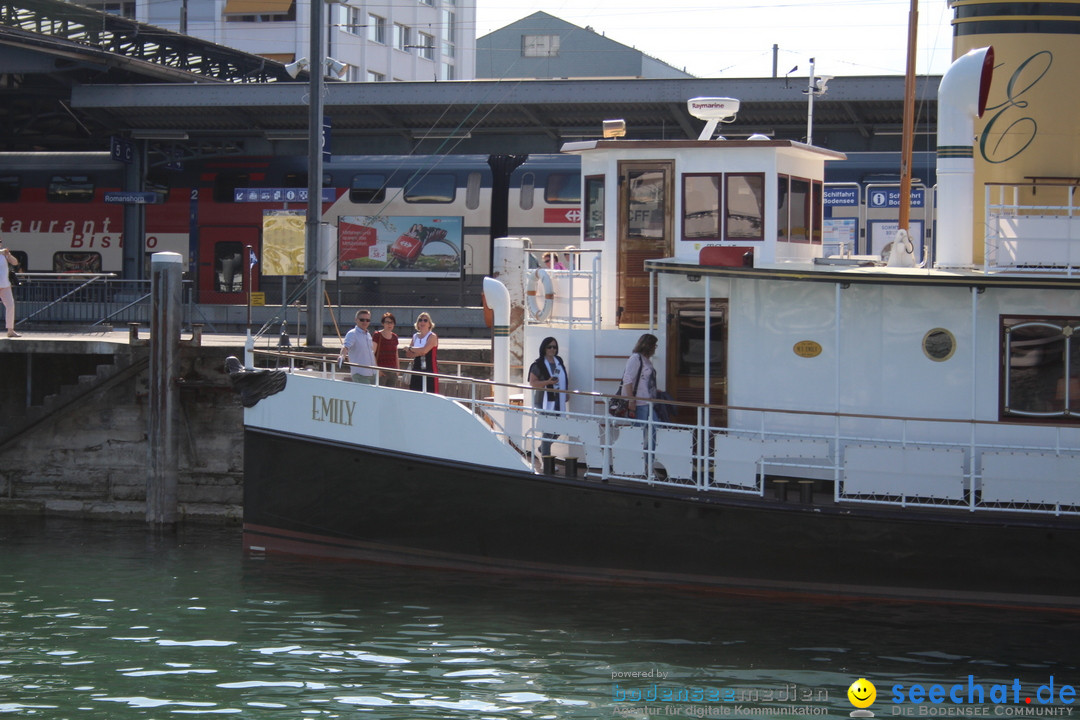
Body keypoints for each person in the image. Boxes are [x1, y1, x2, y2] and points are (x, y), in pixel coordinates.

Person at [527, 336, 568, 458]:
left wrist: (565, 393)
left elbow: (564, 377)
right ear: (544, 348)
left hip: (558, 399)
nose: (552, 349)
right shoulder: (538, 364)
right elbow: (533, 383)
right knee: (548, 429)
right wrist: (547, 383)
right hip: (544, 400)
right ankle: (546, 459)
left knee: (559, 428)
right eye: (549, 347)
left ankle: (542, 448)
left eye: (554, 347)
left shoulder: (559, 361)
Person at [621, 333, 659, 457]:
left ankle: (647, 463)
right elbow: (627, 379)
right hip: (639, 404)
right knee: (639, 435)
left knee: (655, 430)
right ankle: (638, 464)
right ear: (649, 345)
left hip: (648, 403)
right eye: (654, 345)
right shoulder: (635, 358)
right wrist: (631, 401)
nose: (655, 348)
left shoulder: (645, 360)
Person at [339, 310, 376, 384]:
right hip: (360, 374)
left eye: (367, 320)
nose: (365, 322)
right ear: (356, 320)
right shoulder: (352, 333)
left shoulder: (368, 334)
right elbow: (345, 347)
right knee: (364, 395)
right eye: (362, 320)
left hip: (372, 373)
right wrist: (342, 356)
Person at [406, 312, 439, 393]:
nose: (422, 322)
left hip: (429, 370)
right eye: (420, 320)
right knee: (415, 394)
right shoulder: (415, 336)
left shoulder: (432, 336)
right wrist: (418, 351)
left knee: (430, 395)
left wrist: (411, 349)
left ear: (429, 324)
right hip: (416, 369)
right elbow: (408, 354)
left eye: (425, 320)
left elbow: (424, 350)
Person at [372, 311, 400, 387]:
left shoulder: (395, 337)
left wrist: (398, 370)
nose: (389, 324)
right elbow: (372, 353)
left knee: (391, 396)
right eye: (387, 322)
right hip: (381, 371)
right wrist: (377, 370)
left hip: (393, 371)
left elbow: (396, 354)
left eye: (391, 322)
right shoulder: (377, 335)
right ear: (383, 323)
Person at [0, 240, 19, 338]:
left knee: (10, 306)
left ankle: (10, 330)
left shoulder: (4, 254)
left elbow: (15, 263)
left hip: (5, 284)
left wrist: (8, 255)